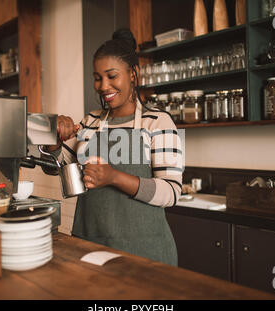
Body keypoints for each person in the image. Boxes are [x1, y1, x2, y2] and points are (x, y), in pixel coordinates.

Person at [42, 28, 183, 266]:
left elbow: (171, 193)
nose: (103, 86)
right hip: (91, 244)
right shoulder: (91, 121)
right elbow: (61, 167)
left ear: (132, 74)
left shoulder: (158, 122)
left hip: (144, 250)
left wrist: (114, 177)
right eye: (97, 78)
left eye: (112, 76)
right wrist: (54, 141)